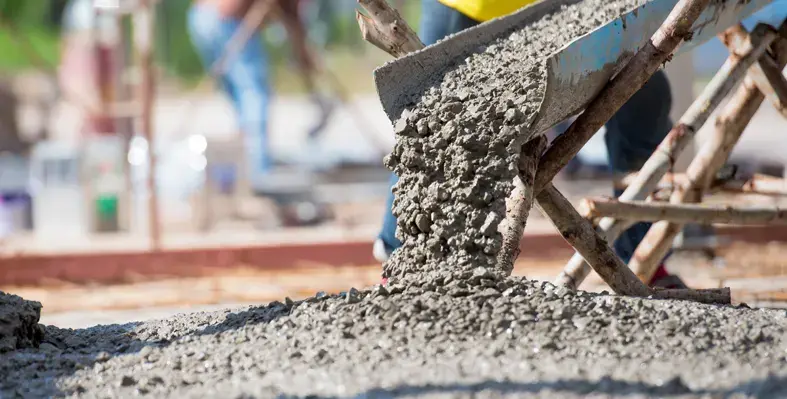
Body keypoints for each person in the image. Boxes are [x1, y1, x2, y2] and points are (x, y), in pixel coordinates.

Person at [373, 0, 686, 289]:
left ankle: (647, 257)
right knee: (435, 122)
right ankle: (404, 262)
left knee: (645, 98)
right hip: (473, 6)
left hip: (567, 10)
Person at [187, 0, 314, 188]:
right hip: (227, 18)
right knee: (254, 95)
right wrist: (302, 54)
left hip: (201, 16)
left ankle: (243, 168)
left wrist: (302, 54)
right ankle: (258, 176)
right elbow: (293, 17)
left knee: (240, 100)